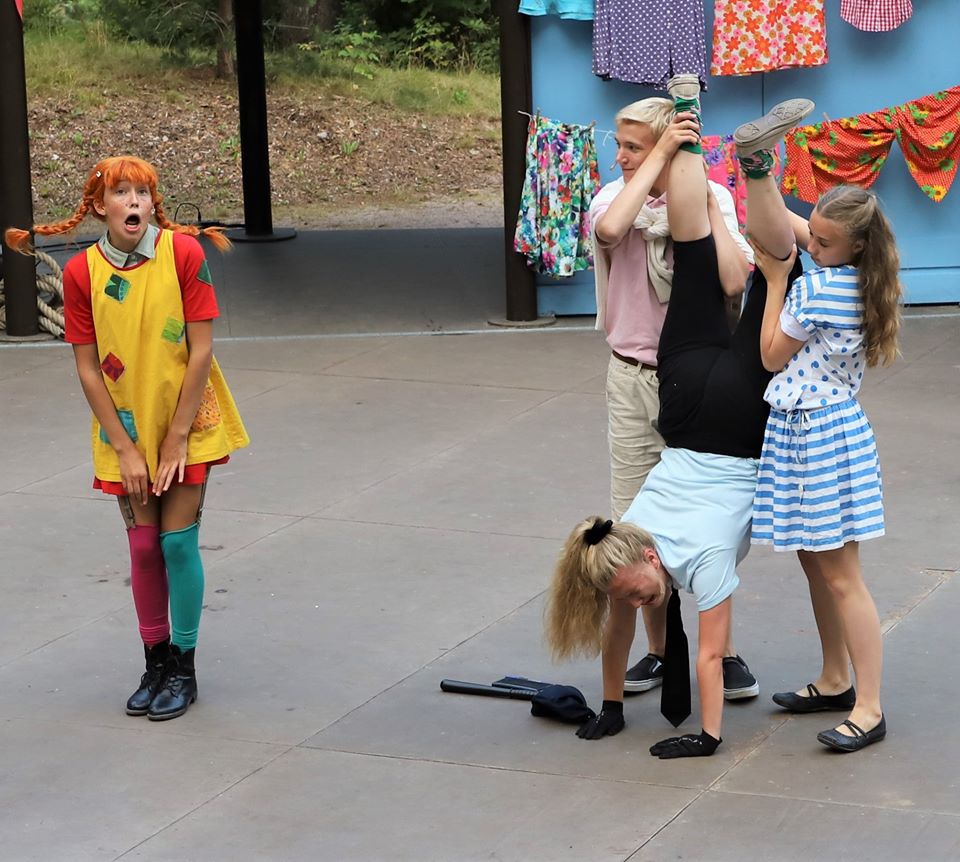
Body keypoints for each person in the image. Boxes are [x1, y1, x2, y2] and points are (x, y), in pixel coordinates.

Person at [546, 78, 807, 758]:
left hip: (711, 405)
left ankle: (754, 167)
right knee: (719, 265)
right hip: (678, 394)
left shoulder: (696, 558)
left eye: (635, 145)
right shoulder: (625, 537)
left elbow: (707, 654)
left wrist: (703, 737)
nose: (640, 603)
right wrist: (614, 707)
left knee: (772, 277)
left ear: (646, 556)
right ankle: (745, 155)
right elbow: (612, 229)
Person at [5, 156, 249, 721]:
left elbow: (201, 350)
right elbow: (88, 368)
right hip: (126, 427)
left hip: (186, 421)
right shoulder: (82, 273)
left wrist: (177, 438)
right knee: (142, 548)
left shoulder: (183, 254)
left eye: (143, 192)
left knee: (178, 544)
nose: (134, 201)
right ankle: (154, 662)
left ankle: (183, 667)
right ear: (100, 206)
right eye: (121, 192)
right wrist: (124, 446)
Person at [733, 103, 902, 752]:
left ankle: (869, 706)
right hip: (816, 428)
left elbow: (770, 354)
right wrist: (762, 179)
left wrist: (777, 279)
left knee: (840, 575)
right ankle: (835, 678)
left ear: (853, 245)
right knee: (816, 563)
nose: (812, 247)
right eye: (816, 238)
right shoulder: (851, 269)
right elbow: (794, 228)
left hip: (820, 434)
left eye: (823, 244)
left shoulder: (821, 288)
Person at [589, 95, 760, 701]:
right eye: (620, 145)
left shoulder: (708, 197)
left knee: (709, 523)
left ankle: (724, 651)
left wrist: (703, 201)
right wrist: (655, 158)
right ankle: (661, 652)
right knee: (636, 525)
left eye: (633, 146)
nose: (621, 156)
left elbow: (734, 280)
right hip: (633, 376)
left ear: (669, 146)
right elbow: (611, 231)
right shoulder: (615, 198)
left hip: (695, 385)